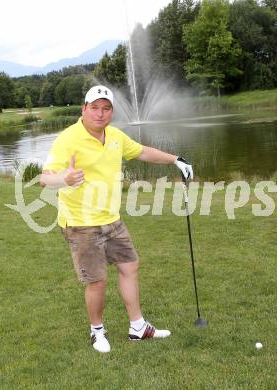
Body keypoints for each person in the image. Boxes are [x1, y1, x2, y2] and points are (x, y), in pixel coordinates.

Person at [40, 85, 193, 353]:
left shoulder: (114, 136)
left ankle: (138, 327)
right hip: (81, 223)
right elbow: (45, 178)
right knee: (97, 280)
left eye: (106, 108)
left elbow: (142, 151)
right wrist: (63, 178)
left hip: (111, 218)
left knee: (130, 266)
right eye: (95, 107)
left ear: (111, 112)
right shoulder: (67, 139)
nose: (100, 113)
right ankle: (96, 332)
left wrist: (175, 160)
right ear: (84, 109)